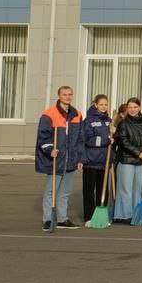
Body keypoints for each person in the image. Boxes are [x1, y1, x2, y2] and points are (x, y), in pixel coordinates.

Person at [36, 86, 84, 230]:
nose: (67, 97)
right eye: (64, 94)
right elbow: (43, 137)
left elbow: (80, 139)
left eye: (70, 94)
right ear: (59, 96)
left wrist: (80, 158)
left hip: (70, 159)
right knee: (51, 191)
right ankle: (48, 219)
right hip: (56, 159)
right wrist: (50, 150)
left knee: (65, 192)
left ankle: (62, 219)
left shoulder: (77, 115)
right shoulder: (49, 114)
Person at [111, 98, 142, 224]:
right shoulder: (123, 123)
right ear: (127, 109)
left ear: (139, 108)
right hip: (126, 160)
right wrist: (140, 154)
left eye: (135, 107)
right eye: (130, 107)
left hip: (141, 161)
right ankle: (124, 215)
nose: (132, 109)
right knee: (126, 189)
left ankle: (136, 214)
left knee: (138, 189)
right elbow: (124, 141)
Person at [79, 94, 112, 222]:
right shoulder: (88, 120)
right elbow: (88, 139)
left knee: (103, 190)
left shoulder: (109, 120)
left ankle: (101, 216)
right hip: (91, 161)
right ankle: (89, 217)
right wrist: (106, 140)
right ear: (96, 105)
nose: (103, 107)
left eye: (105, 104)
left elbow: (113, 140)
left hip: (105, 161)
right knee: (88, 191)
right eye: (101, 104)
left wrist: (115, 134)